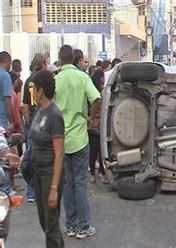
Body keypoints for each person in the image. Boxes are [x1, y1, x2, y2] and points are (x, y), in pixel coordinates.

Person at [55, 45, 101, 239]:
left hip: (61, 140)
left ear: (60, 59)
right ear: (74, 59)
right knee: (80, 183)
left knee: (67, 184)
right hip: (80, 137)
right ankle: (84, 226)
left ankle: (71, 225)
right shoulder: (82, 77)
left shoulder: (55, 80)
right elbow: (97, 98)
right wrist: (92, 117)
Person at [30, 70, 65, 247]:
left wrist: (54, 188)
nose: (33, 93)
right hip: (38, 173)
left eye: (34, 89)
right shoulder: (39, 110)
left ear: (40, 90)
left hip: (49, 174)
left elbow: (59, 154)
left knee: (50, 226)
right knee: (46, 222)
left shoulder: (54, 115)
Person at [23, 53, 49, 202]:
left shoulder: (28, 81)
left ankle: (32, 190)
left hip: (32, 123)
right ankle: (38, 189)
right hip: (42, 122)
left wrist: (28, 122)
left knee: (31, 156)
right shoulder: (44, 81)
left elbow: (25, 104)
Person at [88, 68, 108, 184]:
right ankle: (102, 173)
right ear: (101, 78)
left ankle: (94, 174)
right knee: (100, 151)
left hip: (94, 126)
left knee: (94, 151)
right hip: (99, 125)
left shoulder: (94, 91)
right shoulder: (100, 92)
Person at [0, 52, 15, 134]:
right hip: (3, 120)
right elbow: (8, 100)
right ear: (7, 61)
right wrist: (12, 122)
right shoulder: (5, 76)